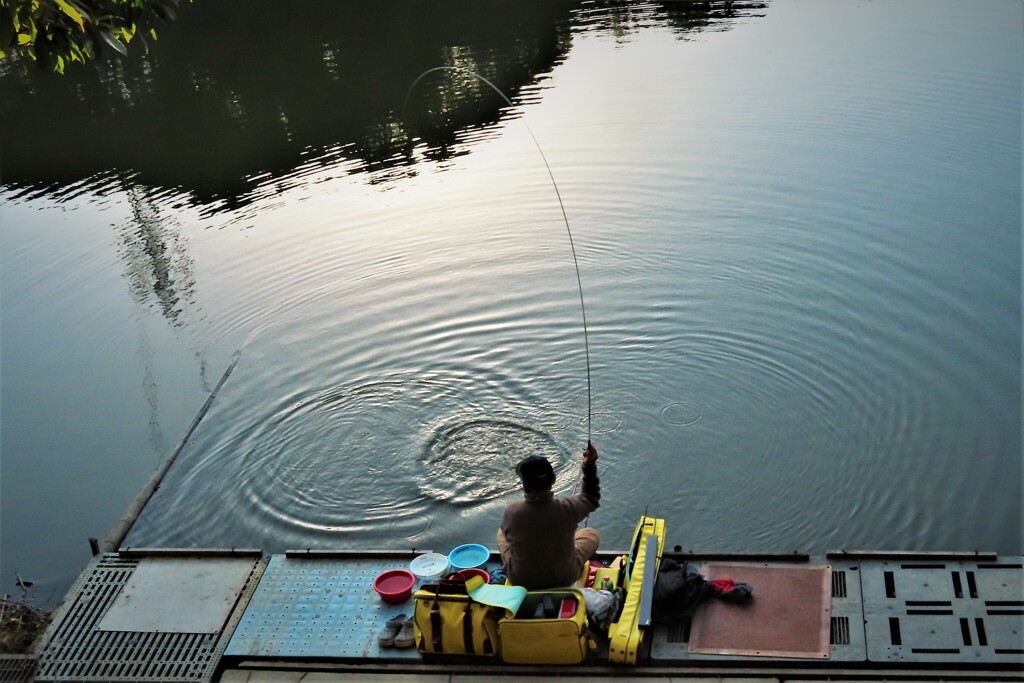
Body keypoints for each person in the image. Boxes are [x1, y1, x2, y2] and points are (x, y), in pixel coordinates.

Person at [496, 442, 601, 589]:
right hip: (566, 578)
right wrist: (589, 466)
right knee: (590, 534)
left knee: (501, 533)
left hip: (521, 580)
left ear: (524, 486)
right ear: (554, 480)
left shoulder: (512, 513)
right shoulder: (568, 509)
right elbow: (591, 497)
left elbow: (509, 537)